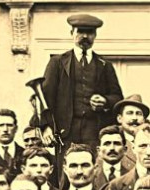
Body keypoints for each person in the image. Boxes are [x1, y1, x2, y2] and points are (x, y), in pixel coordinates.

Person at [37, 13, 123, 147]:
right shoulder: (57, 63)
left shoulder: (105, 65)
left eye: (89, 33)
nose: (85, 36)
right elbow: (45, 97)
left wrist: (105, 101)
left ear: (95, 35)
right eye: (80, 32)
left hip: (95, 132)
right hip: (65, 132)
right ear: (72, 33)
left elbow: (118, 98)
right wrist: (45, 126)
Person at [92, 123, 134, 190]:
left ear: (125, 150)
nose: (112, 148)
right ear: (99, 150)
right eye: (107, 144)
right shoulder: (91, 177)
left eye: (116, 143)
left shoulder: (132, 177)